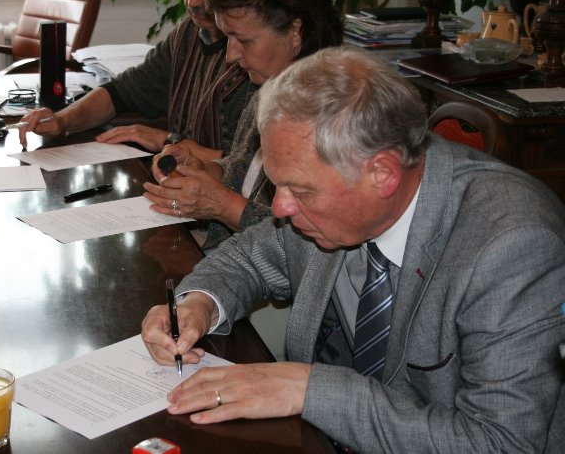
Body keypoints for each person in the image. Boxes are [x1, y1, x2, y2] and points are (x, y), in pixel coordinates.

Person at [141, 47, 565, 452]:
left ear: (382, 174)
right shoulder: (325, 204)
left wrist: (310, 390)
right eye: (277, 184)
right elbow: (249, 257)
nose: (280, 207)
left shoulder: (512, 248)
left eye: (300, 190)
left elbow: (499, 442)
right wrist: (198, 304)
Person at [143, 0, 342, 248]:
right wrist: (203, 170)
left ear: (295, 32)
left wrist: (222, 206)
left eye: (243, 40)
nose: (230, 55)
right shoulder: (269, 89)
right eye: (227, 38)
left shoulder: (332, 119)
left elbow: (306, 245)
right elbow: (243, 172)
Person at [18, 0, 254, 158]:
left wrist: (166, 141)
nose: (191, 0)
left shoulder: (255, 56)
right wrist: (62, 120)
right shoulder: (189, 32)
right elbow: (122, 92)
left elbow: (245, 167)